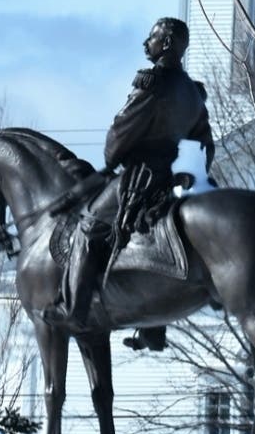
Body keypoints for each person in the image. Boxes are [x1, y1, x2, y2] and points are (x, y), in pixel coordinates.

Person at [44, 18, 215, 347]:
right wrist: (192, 171)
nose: (145, 43)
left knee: (88, 225)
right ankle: (153, 326)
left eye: (151, 38)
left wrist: (111, 159)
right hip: (176, 175)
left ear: (165, 44)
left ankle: (74, 310)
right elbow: (207, 143)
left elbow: (121, 132)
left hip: (142, 176)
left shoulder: (153, 83)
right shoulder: (194, 93)